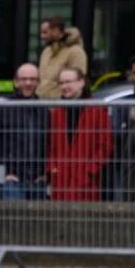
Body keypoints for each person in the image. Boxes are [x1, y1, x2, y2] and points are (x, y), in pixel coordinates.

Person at [0, 62, 49, 198]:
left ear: (38, 82)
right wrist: (4, 172)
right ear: (16, 82)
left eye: (33, 79)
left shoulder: (44, 110)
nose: (28, 83)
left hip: (38, 180)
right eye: (24, 79)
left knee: (39, 219)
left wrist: (45, 173)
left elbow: (50, 145)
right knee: (12, 218)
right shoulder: (1, 110)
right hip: (11, 181)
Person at [46, 65, 113, 201]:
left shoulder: (97, 111)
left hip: (86, 181)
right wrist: (52, 168)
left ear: (81, 82)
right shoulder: (57, 113)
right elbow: (50, 146)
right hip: (61, 179)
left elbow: (105, 146)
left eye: (68, 82)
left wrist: (89, 171)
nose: (64, 86)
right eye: (61, 83)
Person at [36, 16, 89, 99]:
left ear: (56, 31)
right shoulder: (46, 51)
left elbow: (78, 83)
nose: (42, 36)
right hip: (42, 104)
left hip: (64, 105)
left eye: (45, 32)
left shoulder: (76, 52)